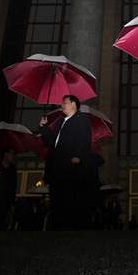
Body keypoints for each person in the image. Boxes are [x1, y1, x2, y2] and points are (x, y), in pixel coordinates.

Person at [39, 94, 92, 230]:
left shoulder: (82, 120)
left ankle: (68, 231)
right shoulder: (59, 123)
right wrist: (44, 128)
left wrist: (78, 155)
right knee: (55, 201)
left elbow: (85, 138)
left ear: (74, 104)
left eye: (65, 103)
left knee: (69, 201)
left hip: (70, 168)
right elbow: (52, 142)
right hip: (56, 169)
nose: (62, 105)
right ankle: (53, 230)